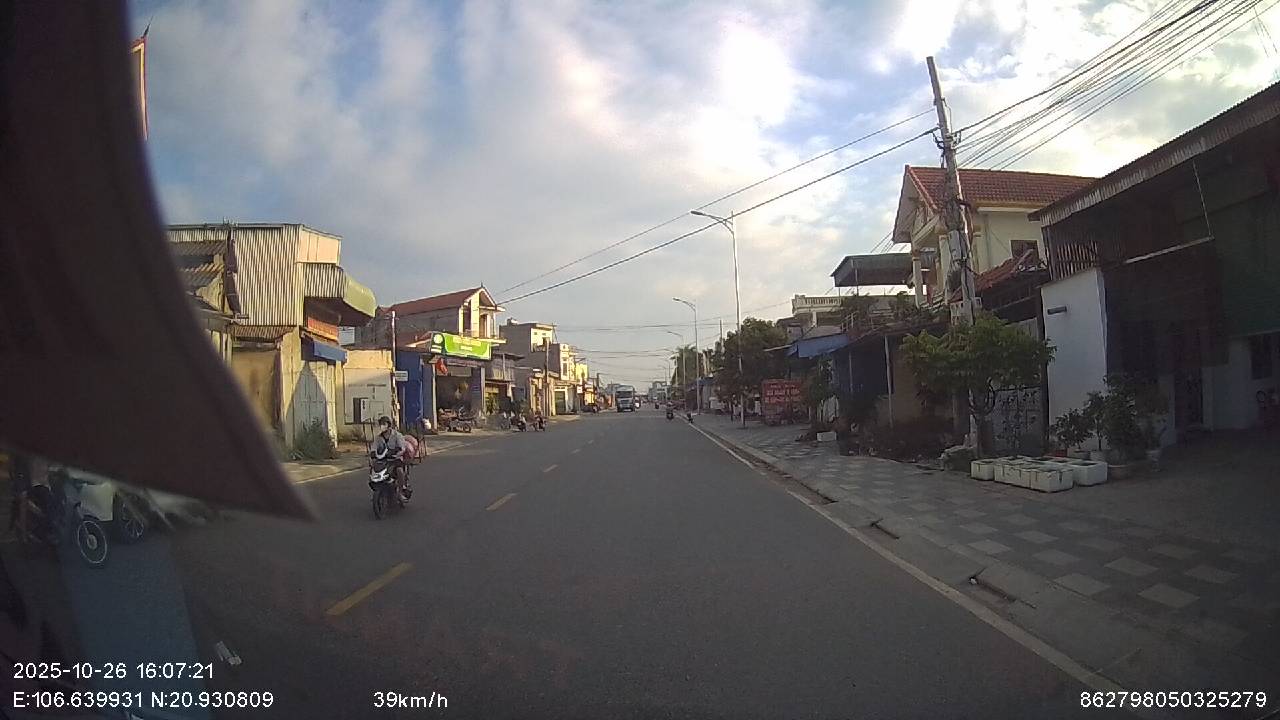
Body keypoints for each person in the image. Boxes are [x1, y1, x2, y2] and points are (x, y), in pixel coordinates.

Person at [372, 417, 408, 498]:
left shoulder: (397, 435)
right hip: (383, 460)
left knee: (399, 470)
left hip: (395, 459)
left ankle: (401, 490)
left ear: (388, 425)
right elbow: (374, 448)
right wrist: (373, 455)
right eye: (381, 424)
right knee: (374, 467)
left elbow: (402, 448)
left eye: (384, 424)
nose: (382, 426)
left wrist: (396, 452)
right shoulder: (378, 438)